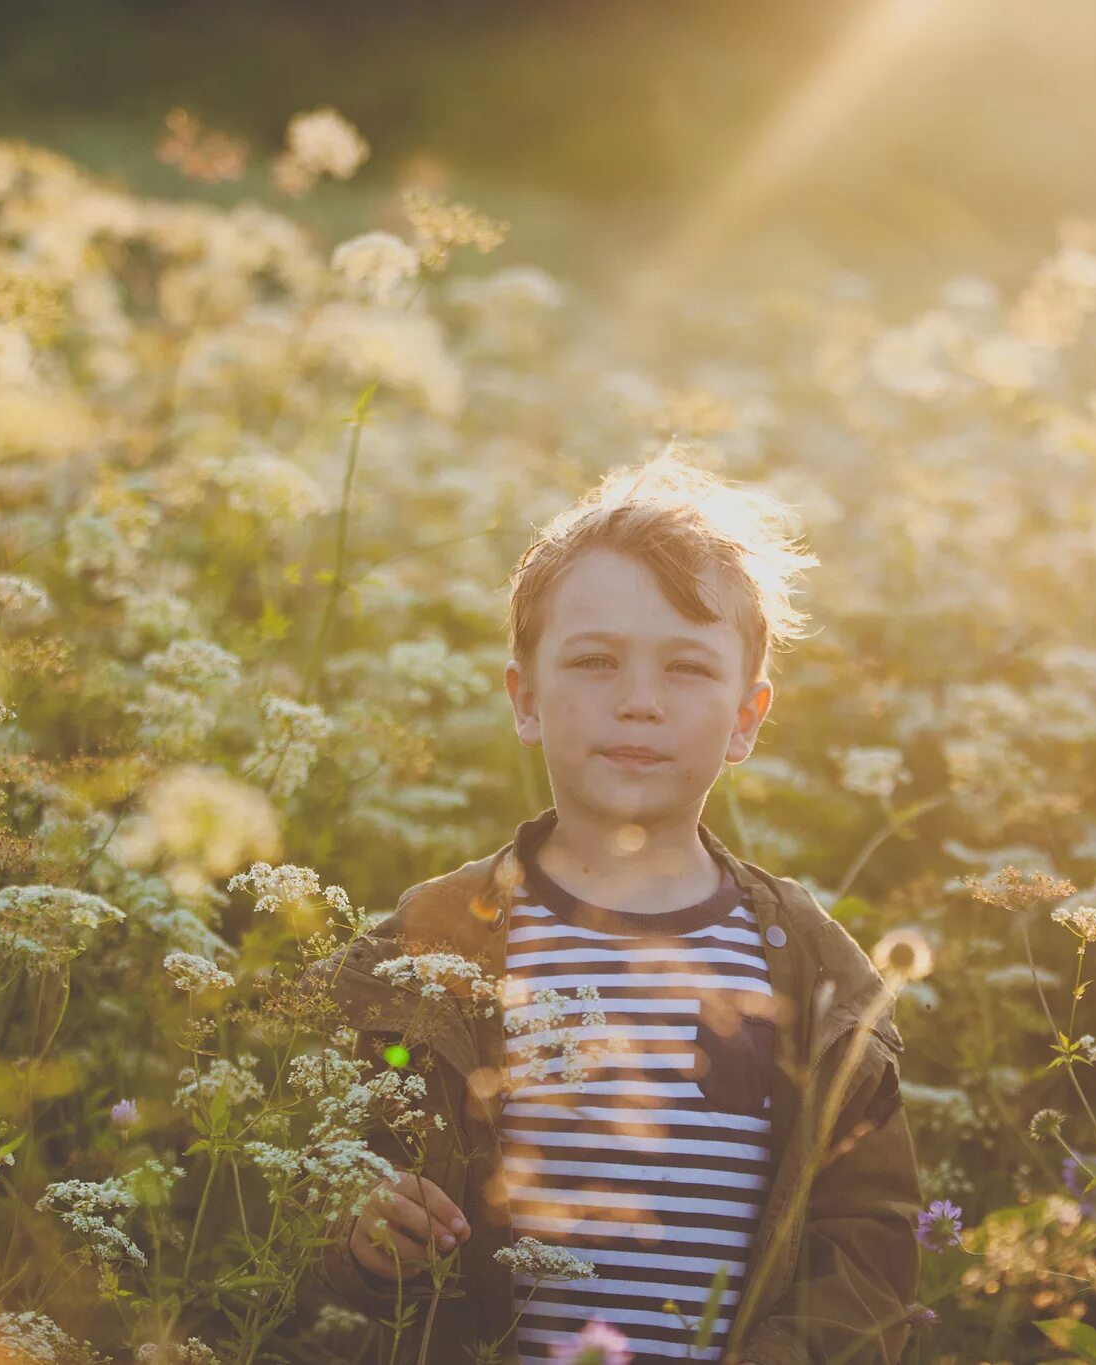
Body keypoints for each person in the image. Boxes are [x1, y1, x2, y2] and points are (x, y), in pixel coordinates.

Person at [306, 449, 919, 1363]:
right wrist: (358, 1237)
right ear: (527, 698)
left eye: (685, 669)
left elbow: (866, 1244)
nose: (638, 703)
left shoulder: (805, 966)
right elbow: (320, 1164)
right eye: (595, 661)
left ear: (747, 718)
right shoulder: (436, 940)